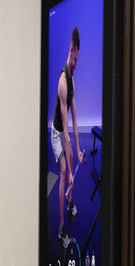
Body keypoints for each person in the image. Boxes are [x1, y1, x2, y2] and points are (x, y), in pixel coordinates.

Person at [51, 26, 84, 244]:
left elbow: (73, 122)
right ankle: (62, 229)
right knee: (64, 171)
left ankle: (70, 201)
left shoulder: (72, 81)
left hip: (65, 131)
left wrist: (79, 150)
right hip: (56, 134)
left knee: (72, 157)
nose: (75, 64)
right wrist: (71, 171)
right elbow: (63, 131)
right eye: (74, 60)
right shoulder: (63, 84)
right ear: (71, 50)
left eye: (77, 61)